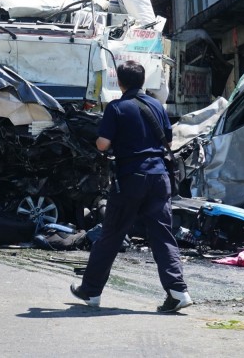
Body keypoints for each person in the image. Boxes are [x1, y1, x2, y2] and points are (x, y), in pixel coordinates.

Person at [70, 61, 192, 313]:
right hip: (160, 177)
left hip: (131, 178)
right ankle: (178, 291)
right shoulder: (157, 105)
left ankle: (91, 291)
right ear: (143, 80)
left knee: (112, 234)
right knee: (162, 235)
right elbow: (168, 138)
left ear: (120, 82)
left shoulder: (117, 107)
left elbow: (103, 145)